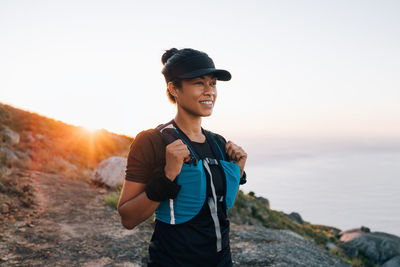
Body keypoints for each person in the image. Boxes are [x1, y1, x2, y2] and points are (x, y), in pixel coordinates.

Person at [117, 48, 248, 267]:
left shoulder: (217, 142)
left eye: (213, 83)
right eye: (199, 83)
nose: (209, 91)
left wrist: (238, 169)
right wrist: (168, 175)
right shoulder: (152, 141)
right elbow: (128, 218)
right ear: (174, 89)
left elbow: (218, 208)